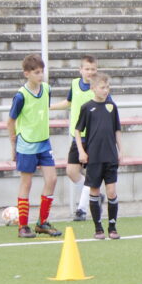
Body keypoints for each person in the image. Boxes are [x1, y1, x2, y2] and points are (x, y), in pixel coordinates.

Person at [6, 53, 62, 239]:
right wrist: (13, 145)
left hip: (44, 142)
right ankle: (23, 226)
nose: (41, 75)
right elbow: (10, 122)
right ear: (27, 74)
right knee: (26, 183)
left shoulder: (46, 89)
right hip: (26, 144)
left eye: (42, 71)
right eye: (36, 72)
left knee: (52, 179)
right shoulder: (21, 96)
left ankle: (42, 222)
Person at [50, 54, 101, 221]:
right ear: (80, 70)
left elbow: (107, 107)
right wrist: (50, 107)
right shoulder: (74, 84)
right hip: (77, 136)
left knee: (91, 173)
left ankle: (81, 209)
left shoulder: (99, 87)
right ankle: (94, 193)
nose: (90, 72)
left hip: (94, 137)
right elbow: (69, 102)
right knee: (72, 172)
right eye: (87, 69)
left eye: (93, 69)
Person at [73, 73, 122, 240]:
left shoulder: (112, 107)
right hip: (94, 157)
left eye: (108, 87)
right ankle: (98, 228)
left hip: (110, 156)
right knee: (94, 190)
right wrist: (81, 151)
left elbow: (117, 130)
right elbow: (78, 131)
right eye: (102, 87)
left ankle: (112, 227)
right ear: (93, 88)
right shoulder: (87, 107)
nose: (106, 90)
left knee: (111, 191)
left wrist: (121, 151)